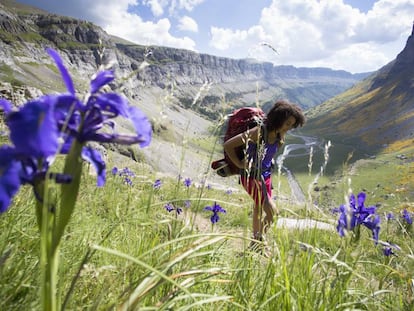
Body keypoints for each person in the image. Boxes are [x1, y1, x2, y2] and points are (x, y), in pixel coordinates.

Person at [223, 99, 306, 252]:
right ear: (278, 119)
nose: (289, 128)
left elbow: (268, 154)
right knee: (273, 212)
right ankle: (256, 242)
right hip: (252, 177)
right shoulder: (259, 132)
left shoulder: (280, 135)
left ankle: (256, 242)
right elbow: (228, 145)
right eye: (287, 123)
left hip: (266, 176)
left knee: (258, 209)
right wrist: (241, 164)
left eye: (292, 125)